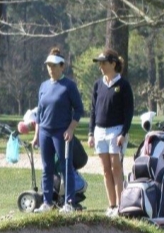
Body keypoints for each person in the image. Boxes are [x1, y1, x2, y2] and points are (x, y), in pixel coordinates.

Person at [32, 47, 85, 214]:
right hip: (45, 132)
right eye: (49, 66)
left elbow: (78, 109)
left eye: (54, 66)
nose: (51, 69)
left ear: (62, 66)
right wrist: (36, 136)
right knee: (47, 167)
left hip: (61, 132)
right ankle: (47, 202)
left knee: (65, 167)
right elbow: (40, 113)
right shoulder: (43, 86)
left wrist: (71, 129)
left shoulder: (68, 86)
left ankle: (69, 202)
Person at [87, 49, 134, 217]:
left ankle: (121, 206)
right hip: (100, 131)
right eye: (99, 63)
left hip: (116, 130)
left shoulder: (123, 85)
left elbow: (129, 111)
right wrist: (91, 133)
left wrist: (123, 132)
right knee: (106, 170)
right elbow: (93, 110)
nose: (100, 66)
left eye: (103, 63)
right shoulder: (98, 85)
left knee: (116, 168)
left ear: (113, 64)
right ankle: (112, 205)